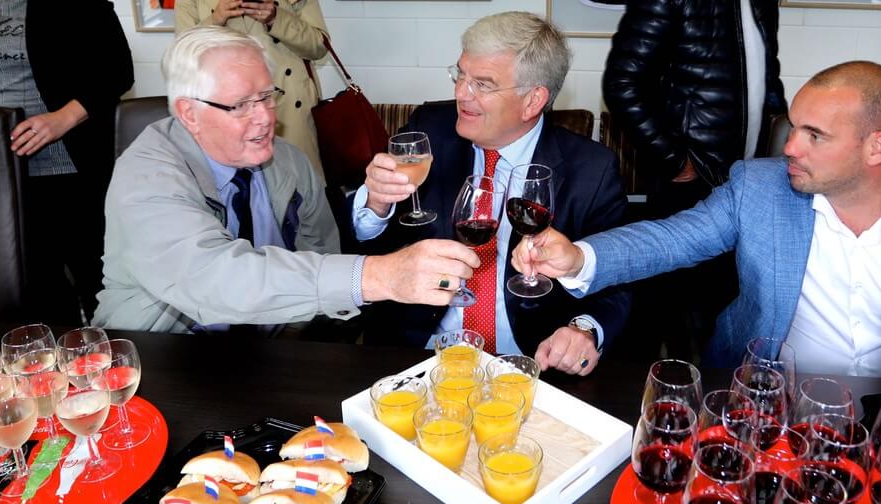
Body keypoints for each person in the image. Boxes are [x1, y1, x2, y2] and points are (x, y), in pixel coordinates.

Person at [513, 61, 881, 384]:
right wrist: (579, 257)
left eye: (815, 136)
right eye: (794, 128)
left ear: (876, 147)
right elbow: (669, 240)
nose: (790, 147)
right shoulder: (758, 188)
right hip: (764, 400)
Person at [93, 27, 478, 334]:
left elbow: (322, 254)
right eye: (240, 105)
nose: (264, 117)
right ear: (188, 113)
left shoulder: (289, 161)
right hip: (156, 356)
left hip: (270, 354)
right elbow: (212, 279)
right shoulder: (145, 176)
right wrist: (382, 275)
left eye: (266, 96)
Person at [351, 12, 629, 376]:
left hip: (528, 365)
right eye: (460, 75)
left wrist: (585, 329)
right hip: (419, 355)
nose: (461, 93)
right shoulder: (429, 131)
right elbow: (368, 242)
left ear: (533, 101)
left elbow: (618, 281)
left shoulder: (591, 169)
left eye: (482, 84)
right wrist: (377, 202)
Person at [601, 0, 786, 362]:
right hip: (690, 181)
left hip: (745, 182)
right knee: (672, 314)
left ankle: (721, 408)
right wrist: (675, 162)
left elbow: (768, 78)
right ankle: (665, 403)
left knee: (721, 311)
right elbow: (622, 83)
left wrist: (781, 143)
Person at [0, 0, 133, 323]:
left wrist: (61, 120)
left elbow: (117, 71)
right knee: (34, 281)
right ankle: (53, 363)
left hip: (67, 161)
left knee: (95, 272)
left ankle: (109, 362)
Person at [176, 0, 330, 177]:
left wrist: (276, 18)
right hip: (227, 108)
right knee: (238, 188)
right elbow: (183, 56)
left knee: (301, 185)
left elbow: (319, 47)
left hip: (290, 107)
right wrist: (216, 19)